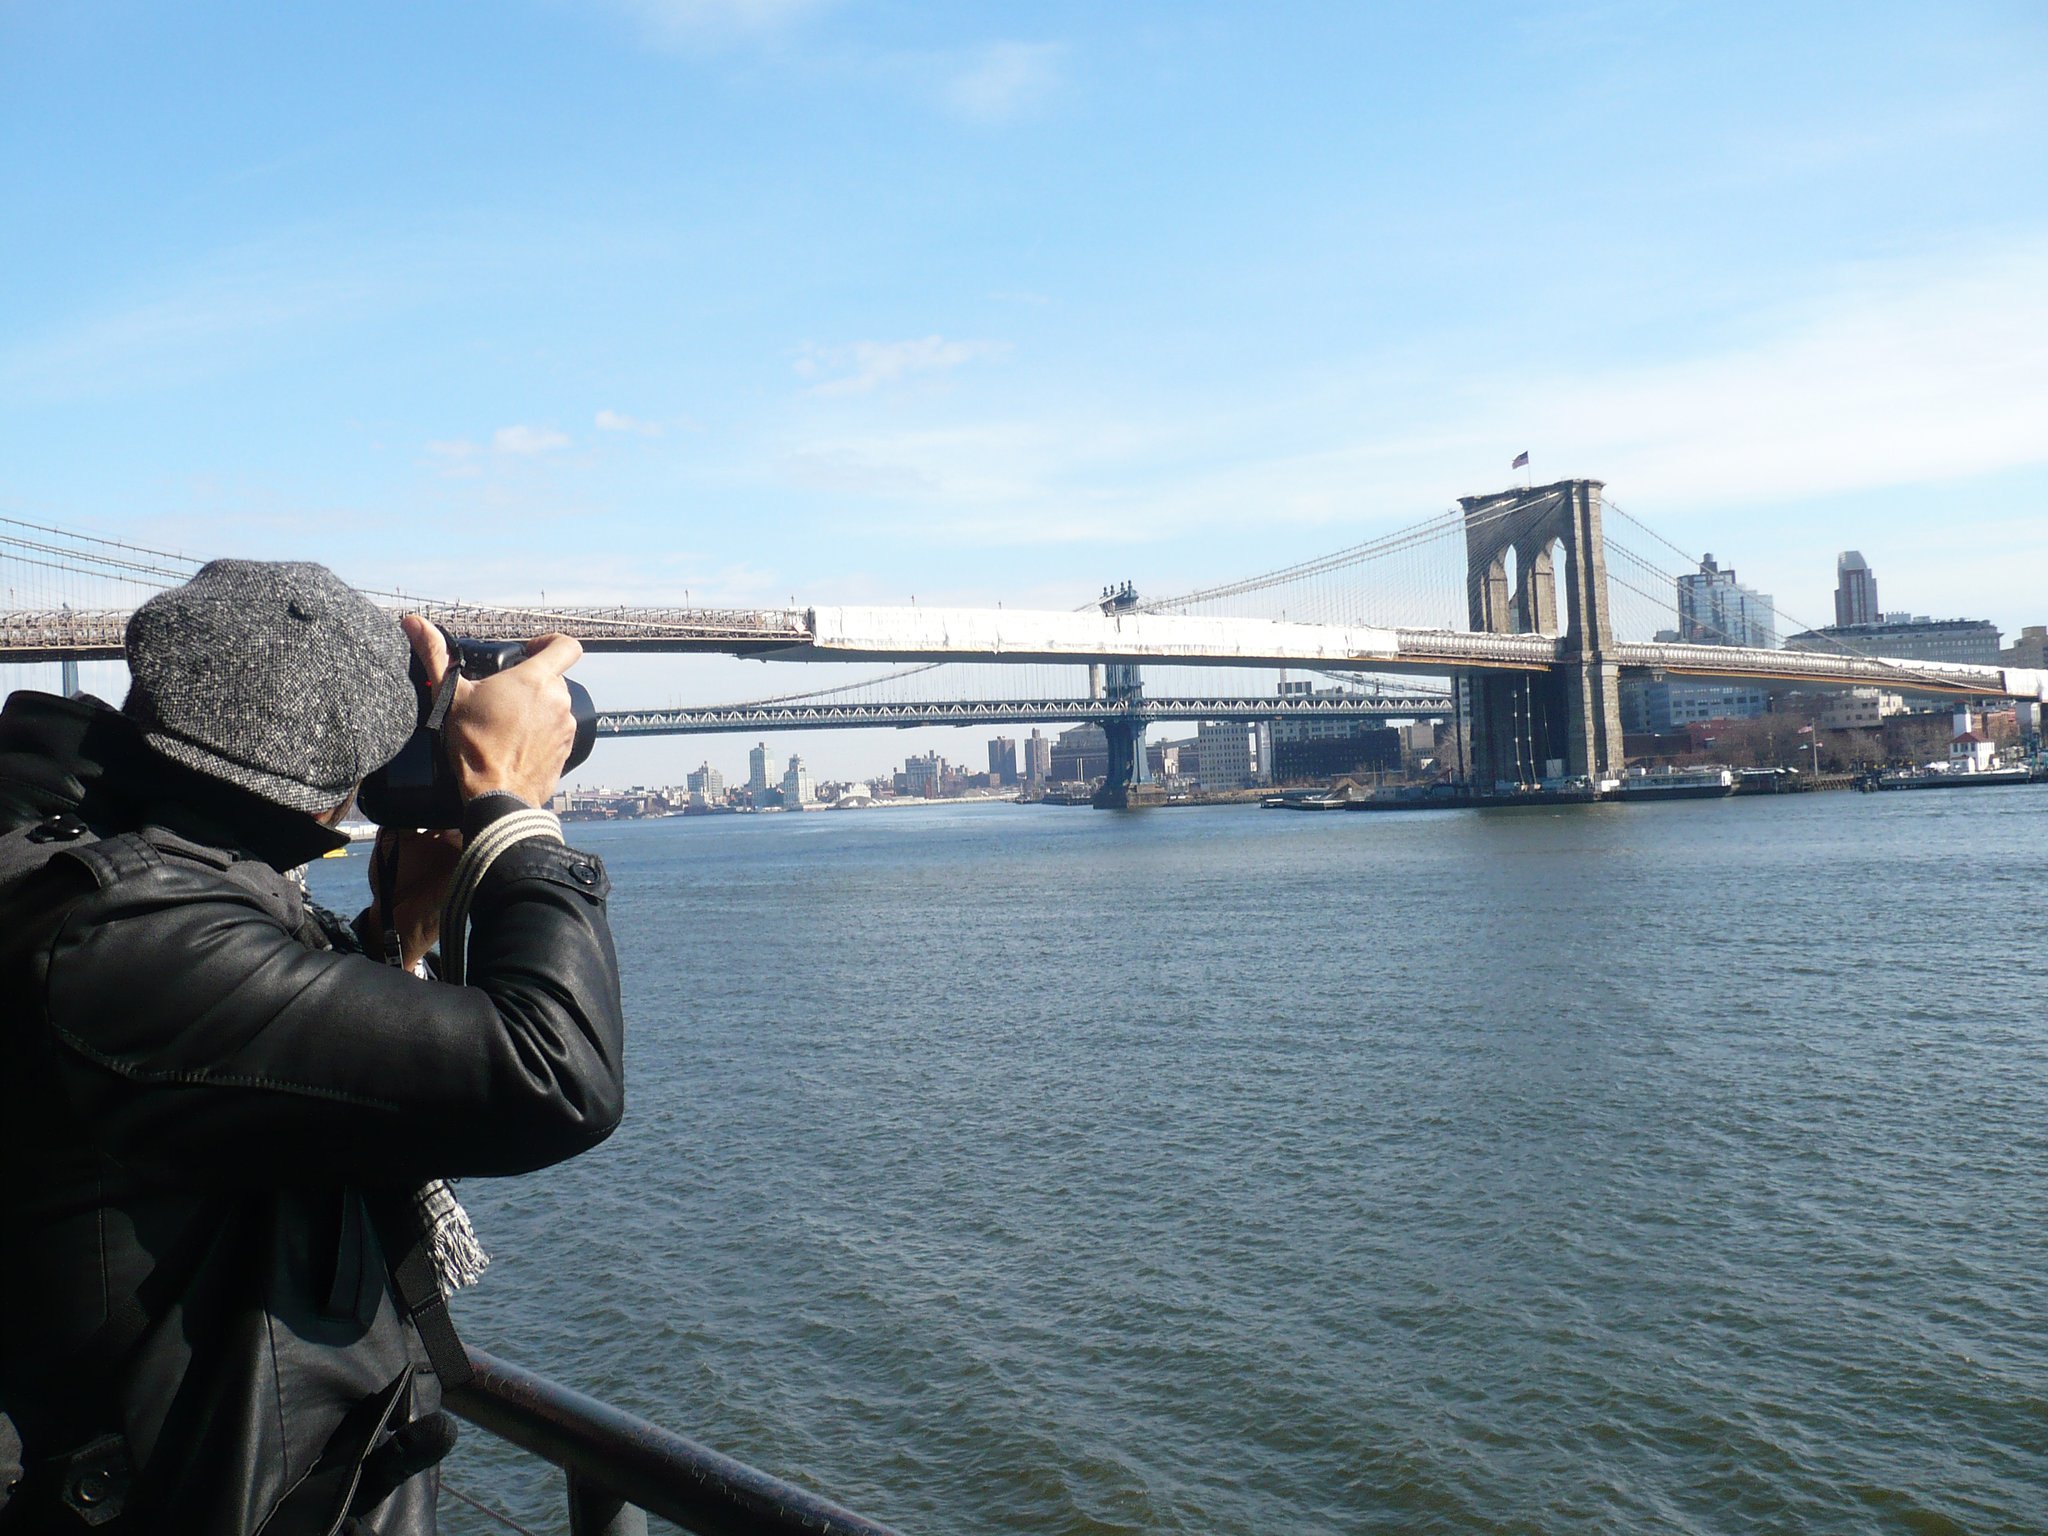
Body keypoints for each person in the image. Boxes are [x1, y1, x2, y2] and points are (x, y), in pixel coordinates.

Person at [0, 560, 625, 1533]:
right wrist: (510, 812)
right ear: (328, 791)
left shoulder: (95, 872)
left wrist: (394, 935)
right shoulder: (122, 934)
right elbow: (553, 1075)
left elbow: (248, 1076)